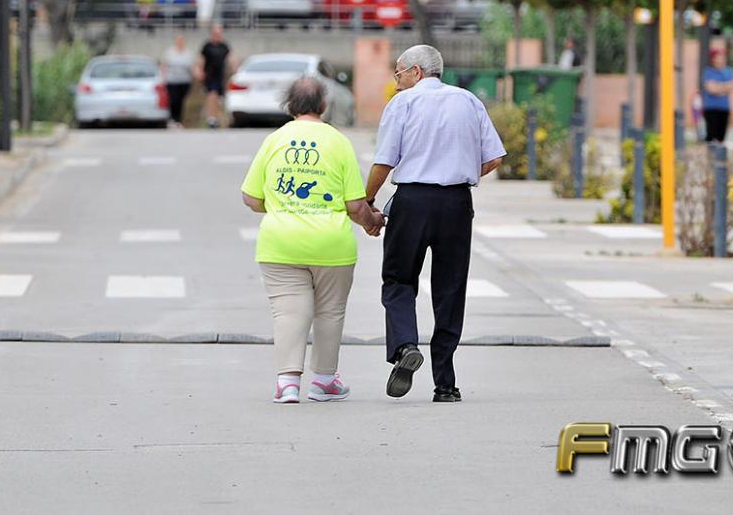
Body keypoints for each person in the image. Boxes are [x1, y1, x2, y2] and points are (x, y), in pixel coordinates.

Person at [366, 45, 506, 403]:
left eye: (398, 74)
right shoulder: (469, 101)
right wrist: (455, 170)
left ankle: (405, 346)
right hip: (456, 203)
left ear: (415, 71)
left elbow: (384, 162)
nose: (396, 83)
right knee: (450, 289)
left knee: (398, 280)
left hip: (412, 201)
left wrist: (366, 202)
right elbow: (493, 159)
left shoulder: (403, 104)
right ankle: (446, 384)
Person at [241, 77, 385, 404]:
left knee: (289, 313)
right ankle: (323, 381)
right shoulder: (338, 142)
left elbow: (251, 198)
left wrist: (278, 205)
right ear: (323, 105)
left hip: (280, 244)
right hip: (331, 245)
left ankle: (287, 383)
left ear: (289, 105)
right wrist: (371, 223)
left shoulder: (274, 140)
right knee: (329, 312)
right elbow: (354, 205)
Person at [198, 24, 233, 128]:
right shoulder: (207, 46)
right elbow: (201, 59)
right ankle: (211, 118)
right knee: (212, 95)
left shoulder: (224, 46)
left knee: (218, 98)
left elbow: (231, 57)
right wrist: (199, 70)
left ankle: (216, 118)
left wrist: (235, 68)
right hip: (210, 75)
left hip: (221, 75)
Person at [701, 47, 733, 143]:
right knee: (711, 136)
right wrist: (725, 86)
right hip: (711, 108)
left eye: (722, 57)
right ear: (713, 59)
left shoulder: (729, 71)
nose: (721, 59)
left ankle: (718, 157)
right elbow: (711, 89)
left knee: (721, 137)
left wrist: (718, 86)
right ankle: (710, 156)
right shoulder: (708, 71)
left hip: (724, 108)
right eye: (718, 57)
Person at [160, 34, 195, 128]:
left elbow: (192, 67)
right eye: (178, 40)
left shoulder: (188, 53)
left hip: (185, 81)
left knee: (181, 101)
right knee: (173, 100)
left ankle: (179, 120)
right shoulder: (169, 52)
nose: (180, 42)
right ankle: (172, 119)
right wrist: (162, 78)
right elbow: (164, 65)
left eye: (182, 40)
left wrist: (196, 75)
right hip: (172, 80)